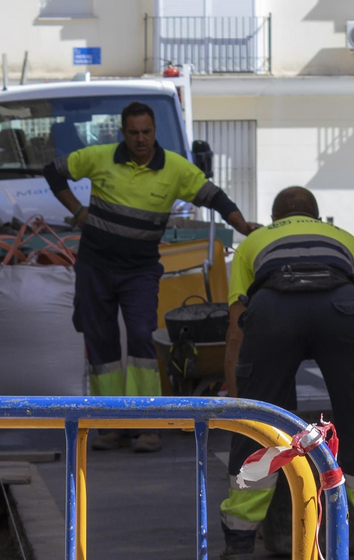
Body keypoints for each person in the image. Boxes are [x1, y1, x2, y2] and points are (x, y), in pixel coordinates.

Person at [44, 101, 257, 452]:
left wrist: (243, 225)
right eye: (133, 133)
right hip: (95, 267)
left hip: (140, 271)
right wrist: (78, 210)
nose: (141, 139)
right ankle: (110, 425)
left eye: (146, 132)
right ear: (122, 133)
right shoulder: (99, 157)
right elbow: (53, 171)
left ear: (155, 131)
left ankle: (148, 424)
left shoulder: (175, 168)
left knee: (142, 339)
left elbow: (215, 198)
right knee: (101, 343)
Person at [218, 186, 354, 560]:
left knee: (263, 422)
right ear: (316, 218)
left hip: (273, 311)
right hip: (341, 309)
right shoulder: (345, 239)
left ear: (274, 218)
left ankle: (240, 543)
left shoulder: (252, 243)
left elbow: (236, 333)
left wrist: (239, 403)